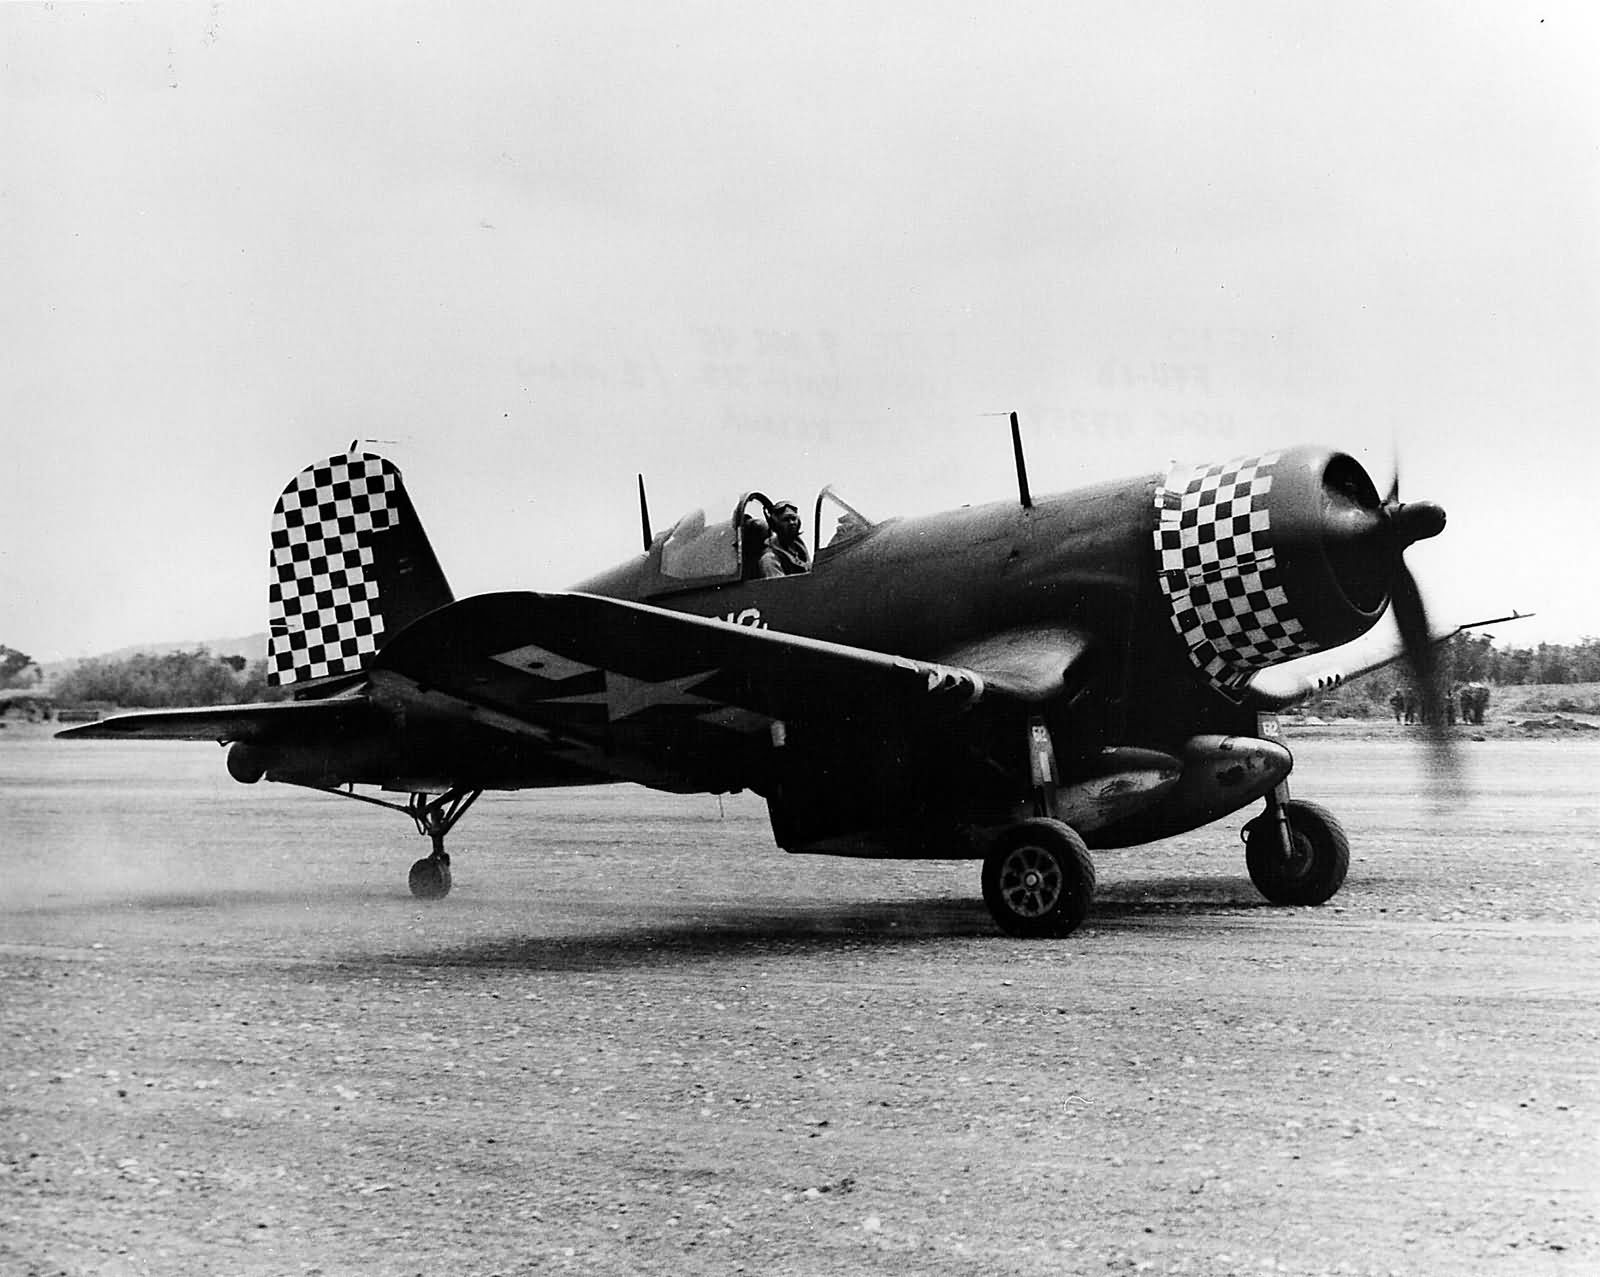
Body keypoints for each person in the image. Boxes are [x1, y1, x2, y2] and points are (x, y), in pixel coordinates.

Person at [757, 499, 811, 578]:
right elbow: (779, 585)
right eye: (786, 520)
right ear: (775, 524)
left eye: (793, 518)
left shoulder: (800, 550)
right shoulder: (769, 560)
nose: (791, 523)